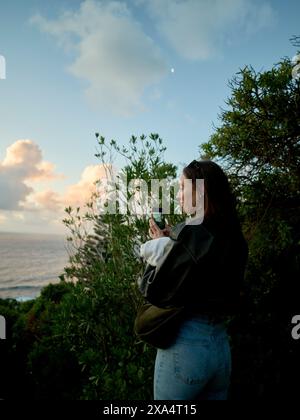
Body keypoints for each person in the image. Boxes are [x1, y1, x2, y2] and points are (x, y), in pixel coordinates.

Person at [145, 159, 249, 400]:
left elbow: (155, 292)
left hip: (187, 347)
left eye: (183, 187)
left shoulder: (191, 232)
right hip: (220, 347)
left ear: (200, 192)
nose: (179, 194)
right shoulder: (234, 235)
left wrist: (159, 248)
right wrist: (174, 242)